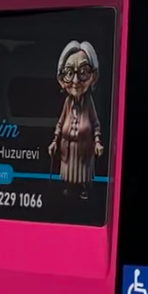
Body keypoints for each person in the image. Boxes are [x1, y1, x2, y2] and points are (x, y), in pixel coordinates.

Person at [49, 41, 103, 200]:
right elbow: (60, 123)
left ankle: (82, 189)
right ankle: (70, 188)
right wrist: (55, 141)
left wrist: (97, 142)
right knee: (69, 170)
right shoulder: (67, 102)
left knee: (82, 171)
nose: (75, 80)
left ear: (93, 76)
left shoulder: (89, 103)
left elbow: (95, 123)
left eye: (83, 72)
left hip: (83, 148)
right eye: (69, 73)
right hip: (67, 147)